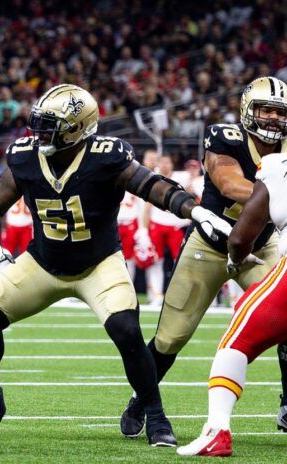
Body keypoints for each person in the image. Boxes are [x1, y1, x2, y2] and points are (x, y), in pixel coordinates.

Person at [0, 84, 231, 447]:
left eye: (51, 125)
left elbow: (152, 186)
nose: (39, 133)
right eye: (40, 124)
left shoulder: (104, 156)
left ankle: (155, 414)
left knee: (126, 330)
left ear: (78, 128)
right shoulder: (27, 156)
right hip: (42, 263)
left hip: (98, 265)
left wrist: (193, 209)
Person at [120, 77, 287, 438]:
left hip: (262, 246)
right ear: (247, 110)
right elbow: (230, 184)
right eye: (266, 110)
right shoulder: (224, 137)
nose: (274, 118)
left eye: (280, 112)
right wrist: (279, 190)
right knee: (170, 337)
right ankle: (141, 399)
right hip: (210, 246)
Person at [177, 152, 287, 457]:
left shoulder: (277, 166)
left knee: (236, 342)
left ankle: (217, 431)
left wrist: (236, 257)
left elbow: (241, 237)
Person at [139, 153, 191, 306]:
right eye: (162, 162)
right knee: (155, 261)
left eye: (167, 162)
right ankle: (157, 295)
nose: (165, 165)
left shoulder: (182, 178)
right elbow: (147, 208)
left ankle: (180, 295)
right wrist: (144, 230)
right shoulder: (153, 179)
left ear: (172, 164)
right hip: (157, 223)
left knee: (180, 262)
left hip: (176, 225)